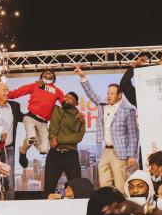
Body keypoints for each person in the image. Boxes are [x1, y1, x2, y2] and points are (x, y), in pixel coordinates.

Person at [75, 66, 139, 196]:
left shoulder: (128, 110)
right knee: (104, 183)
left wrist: (132, 155)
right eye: (108, 93)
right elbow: (91, 94)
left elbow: (133, 134)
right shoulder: (103, 105)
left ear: (119, 95)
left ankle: (122, 210)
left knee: (121, 184)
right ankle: (108, 205)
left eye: (112, 93)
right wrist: (83, 77)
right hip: (106, 150)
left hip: (120, 152)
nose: (109, 95)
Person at [8, 69, 66, 168]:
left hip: (43, 122)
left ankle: (27, 144)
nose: (49, 73)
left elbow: (65, 104)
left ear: (54, 78)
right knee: (31, 136)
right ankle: (23, 151)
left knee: (44, 149)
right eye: (46, 72)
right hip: (30, 117)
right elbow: (18, 92)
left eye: (51, 72)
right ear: (41, 76)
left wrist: (75, 113)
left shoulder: (58, 91)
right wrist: (3, 95)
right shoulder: (36, 85)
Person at [0, 82, 24, 200]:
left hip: (8, 150)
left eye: (8, 90)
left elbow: (24, 117)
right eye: (4, 90)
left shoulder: (15, 106)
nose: (7, 92)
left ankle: (10, 208)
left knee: (9, 183)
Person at [43, 92, 86, 197]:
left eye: (71, 98)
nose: (67, 99)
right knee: (49, 186)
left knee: (76, 187)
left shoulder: (79, 116)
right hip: (54, 154)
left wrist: (58, 139)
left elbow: (78, 137)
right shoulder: (55, 109)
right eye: (66, 96)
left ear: (76, 103)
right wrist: (52, 138)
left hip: (70, 155)